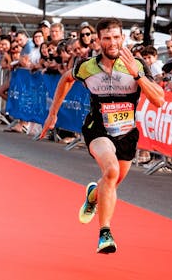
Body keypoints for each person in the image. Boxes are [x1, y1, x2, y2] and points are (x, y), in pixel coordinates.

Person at [39, 18, 165, 254]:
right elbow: (66, 79)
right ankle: (105, 233)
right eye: (107, 38)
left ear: (123, 38)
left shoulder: (136, 64)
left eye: (116, 37)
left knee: (112, 181)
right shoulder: (87, 66)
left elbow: (159, 99)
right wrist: (52, 113)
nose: (112, 42)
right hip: (98, 129)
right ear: (98, 41)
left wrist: (137, 75)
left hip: (127, 133)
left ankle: (93, 195)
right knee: (111, 171)